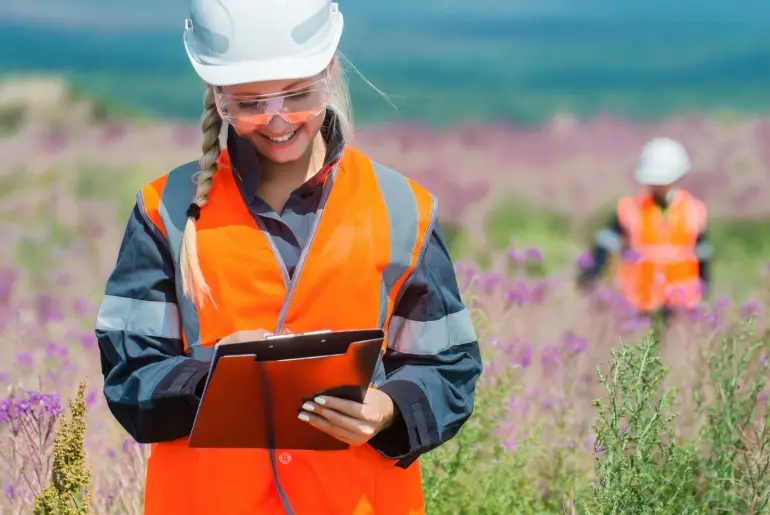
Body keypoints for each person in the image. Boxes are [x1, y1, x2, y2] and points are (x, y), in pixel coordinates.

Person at [94, 1, 482, 514]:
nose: (276, 120)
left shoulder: (402, 210)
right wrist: (210, 378)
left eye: (297, 95)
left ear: (329, 74)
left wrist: (388, 408)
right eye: (251, 103)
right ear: (219, 98)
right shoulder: (163, 212)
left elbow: (449, 366)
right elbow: (128, 378)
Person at [577, 137, 712, 322]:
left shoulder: (693, 211)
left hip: (682, 304)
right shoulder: (631, 209)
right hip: (638, 303)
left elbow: (702, 254)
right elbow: (605, 244)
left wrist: (704, 288)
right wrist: (591, 274)